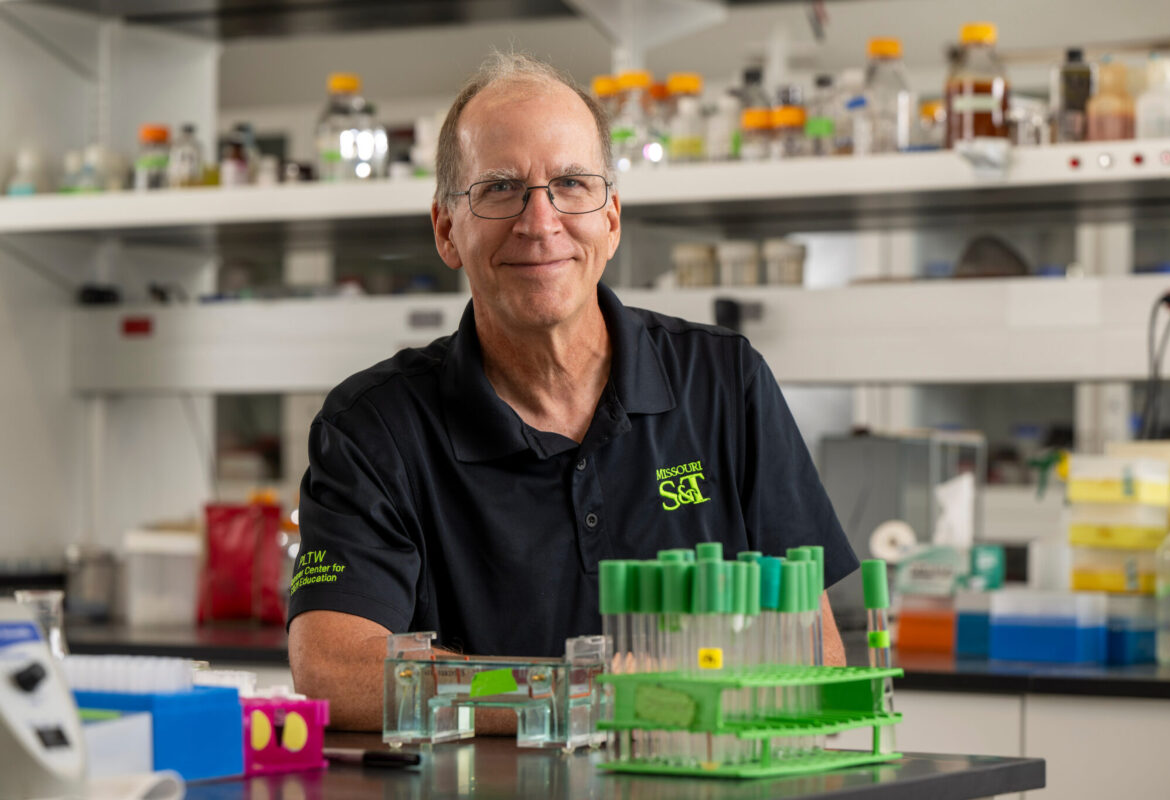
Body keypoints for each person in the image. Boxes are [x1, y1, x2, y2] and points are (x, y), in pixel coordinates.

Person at [288, 53, 859, 730]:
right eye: (500, 188)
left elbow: (816, 652)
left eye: (571, 183)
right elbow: (334, 668)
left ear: (610, 217)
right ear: (447, 229)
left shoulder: (724, 382)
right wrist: (576, 693)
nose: (540, 220)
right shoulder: (374, 429)